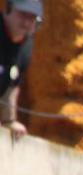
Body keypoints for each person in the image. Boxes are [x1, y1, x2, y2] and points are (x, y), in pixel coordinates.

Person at [0, 0, 38, 139]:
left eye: (32, 17)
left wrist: (9, 121)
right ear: (8, 9)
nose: (27, 23)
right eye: (23, 15)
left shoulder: (26, 47)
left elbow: (12, 86)